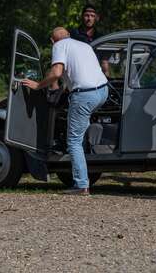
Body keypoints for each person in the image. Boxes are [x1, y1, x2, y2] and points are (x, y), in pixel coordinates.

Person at [22, 27, 108, 195]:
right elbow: (80, 72)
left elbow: (56, 72)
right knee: (79, 131)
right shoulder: (84, 45)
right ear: (68, 35)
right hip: (103, 91)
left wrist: (38, 85)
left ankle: (81, 185)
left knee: (73, 141)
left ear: (53, 41)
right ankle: (84, 151)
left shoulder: (59, 46)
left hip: (85, 95)